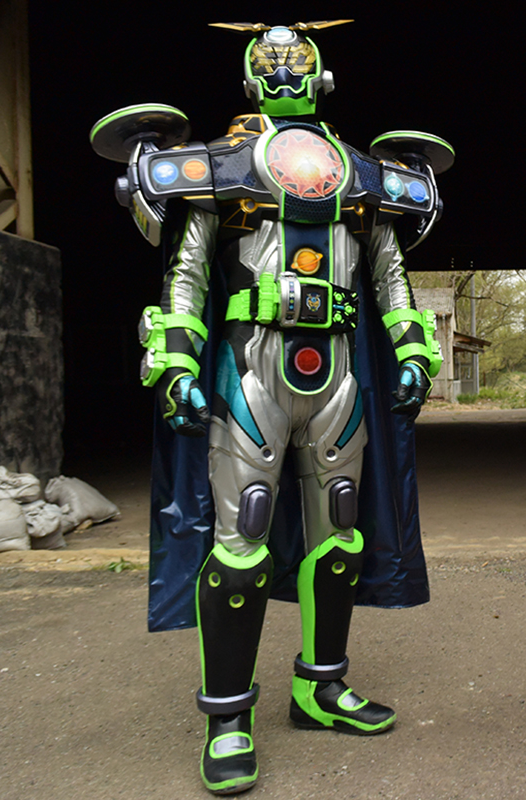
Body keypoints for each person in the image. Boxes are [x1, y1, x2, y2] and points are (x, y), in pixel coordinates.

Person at [91, 21, 450, 795]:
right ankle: (228, 719)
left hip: (339, 374)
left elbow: (388, 273)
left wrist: (414, 349)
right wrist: (175, 360)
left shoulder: (359, 173)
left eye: (296, 62)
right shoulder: (218, 166)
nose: (285, 72)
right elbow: (186, 273)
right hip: (250, 367)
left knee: (341, 535)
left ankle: (321, 687)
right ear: (253, 77)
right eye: (271, 63)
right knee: (242, 539)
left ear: (320, 76)